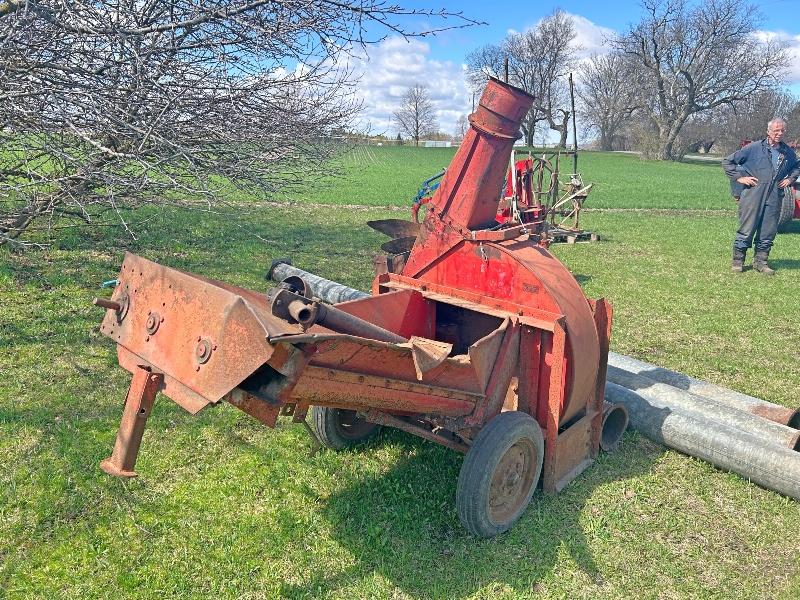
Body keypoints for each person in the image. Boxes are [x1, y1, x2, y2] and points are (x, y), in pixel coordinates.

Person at [722, 119, 800, 274]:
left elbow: (797, 165)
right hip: (753, 193)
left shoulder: (787, 152)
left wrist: (790, 179)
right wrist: (739, 178)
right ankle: (738, 261)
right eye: (776, 130)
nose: (779, 133)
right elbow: (728, 161)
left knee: (768, 230)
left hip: (774, 196)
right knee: (747, 228)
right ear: (768, 131)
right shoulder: (754, 148)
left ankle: (761, 262)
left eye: (782, 131)